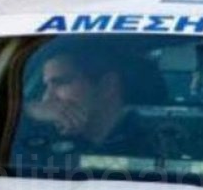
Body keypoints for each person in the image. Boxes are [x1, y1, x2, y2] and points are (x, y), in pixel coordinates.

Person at [10, 43, 145, 167]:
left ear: (107, 86)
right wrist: (26, 112)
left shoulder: (150, 143)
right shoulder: (38, 135)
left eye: (61, 82)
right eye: (46, 86)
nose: (47, 97)